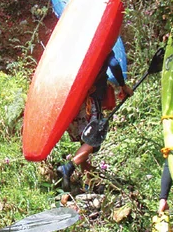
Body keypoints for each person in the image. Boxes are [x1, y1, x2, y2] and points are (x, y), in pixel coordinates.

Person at [57, 53, 134, 187]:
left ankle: (88, 181)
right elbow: (114, 64)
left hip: (74, 99)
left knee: (85, 139)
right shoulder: (101, 41)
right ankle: (69, 167)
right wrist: (123, 85)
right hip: (91, 99)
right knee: (94, 140)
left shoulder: (77, 43)